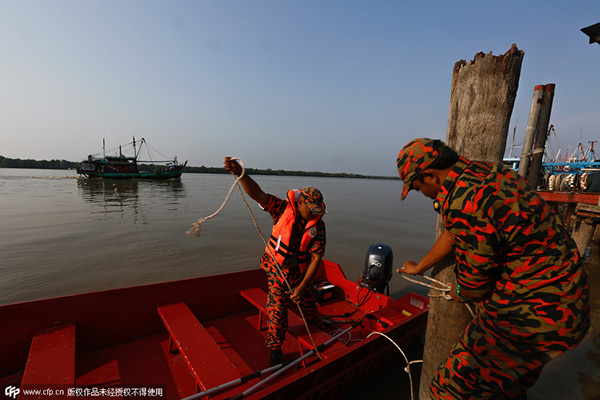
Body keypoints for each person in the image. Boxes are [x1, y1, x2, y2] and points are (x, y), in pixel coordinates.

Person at [395, 138, 590, 399]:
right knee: (505, 389)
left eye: (419, 188)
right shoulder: (487, 174)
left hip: (534, 313)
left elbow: (474, 288)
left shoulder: (462, 201)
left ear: (430, 175)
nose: (424, 194)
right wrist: (421, 266)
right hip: (568, 302)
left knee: (447, 389)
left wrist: (458, 291)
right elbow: (456, 232)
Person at [224, 157, 326, 366]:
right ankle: (276, 350)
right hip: (278, 272)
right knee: (278, 312)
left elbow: (316, 258)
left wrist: (303, 286)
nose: (314, 213)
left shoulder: (318, 225)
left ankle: (319, 330)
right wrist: (241, 172)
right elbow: (257, 194)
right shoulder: (281, 209)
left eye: (318, 210)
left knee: (310, 306)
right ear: (301, 202)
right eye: (311, 209)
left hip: (300, 274)